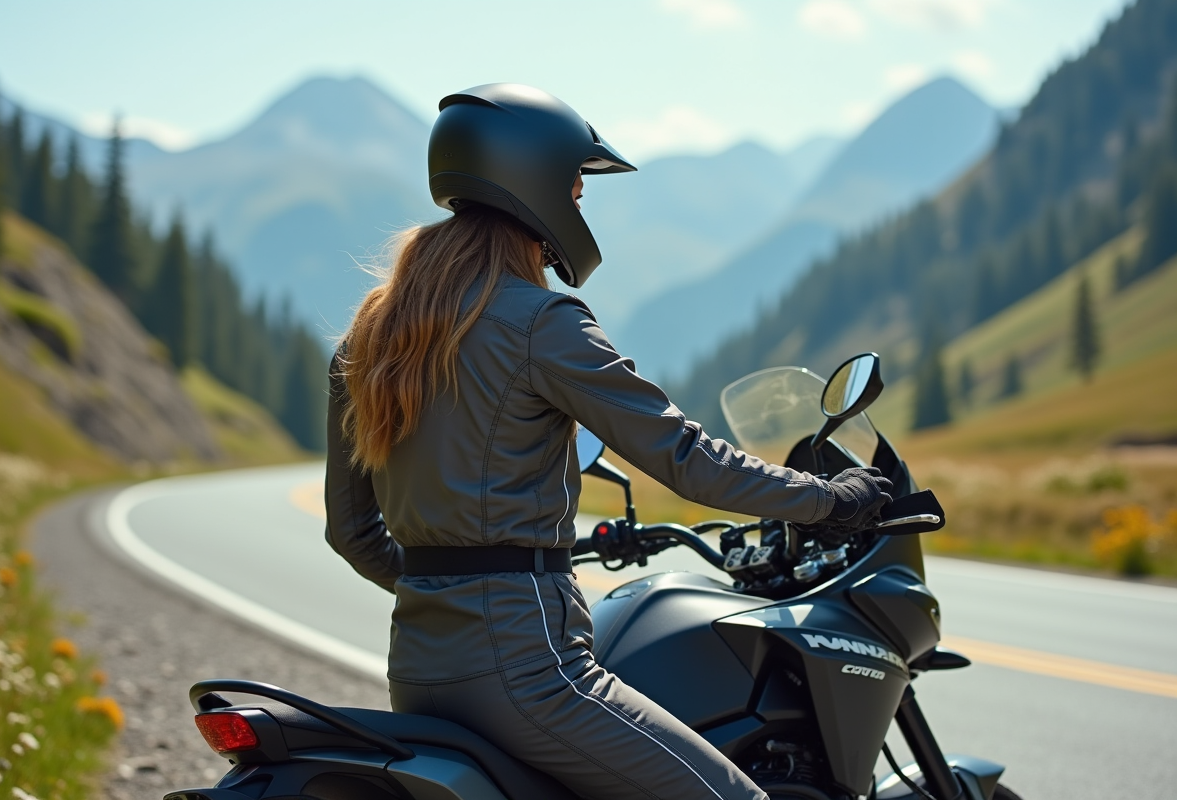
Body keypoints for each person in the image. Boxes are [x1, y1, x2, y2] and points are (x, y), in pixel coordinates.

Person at [325, 83, 892, 800]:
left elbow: (351, 532)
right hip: (528, 673)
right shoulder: (542, 322)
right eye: (577, 186)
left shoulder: (368, 334)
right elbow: (682, 456)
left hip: (418, 670)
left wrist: (446, 587)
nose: (580, 202)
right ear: (531, 185)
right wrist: (829, 499)